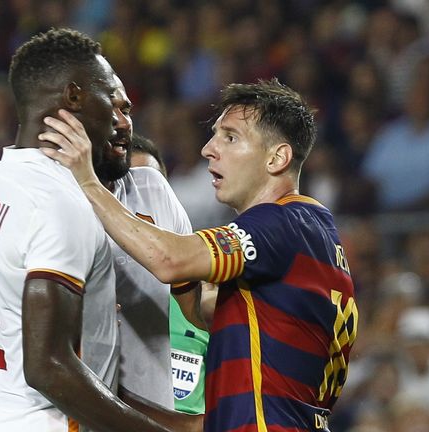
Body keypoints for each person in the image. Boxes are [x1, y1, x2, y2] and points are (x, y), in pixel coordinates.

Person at [40, 78, 359, 432]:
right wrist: (110, 396)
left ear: (277, 158)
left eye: (230, 137)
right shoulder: (312, 235)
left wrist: (87, 181)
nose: (209, 149)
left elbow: (170, 260)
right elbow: (200, 420)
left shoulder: (283, 222)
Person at [0, 27, 183, 432]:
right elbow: (48, 368)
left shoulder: (1, 185)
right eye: (109, 99)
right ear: (75, 97)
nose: (119, 118)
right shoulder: (60, 199)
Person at [131, 134, 210, 415]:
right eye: (128, 190)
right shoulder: (95, 297)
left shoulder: (204, 297)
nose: (142, 202)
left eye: (152, 188)